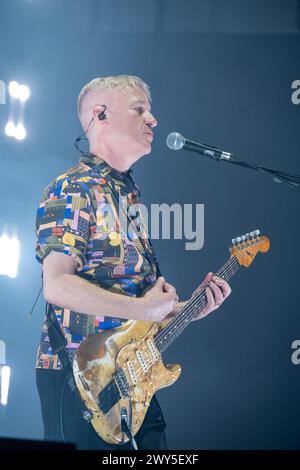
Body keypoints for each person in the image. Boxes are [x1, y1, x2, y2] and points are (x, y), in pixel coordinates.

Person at [35, 75, 231, 450]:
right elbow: (57, 285)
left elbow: (134, 310)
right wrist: (144, 306)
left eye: (151, 111)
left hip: (133, 378)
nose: (153, 119)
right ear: (101, 114)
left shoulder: (125, 193)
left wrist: (186, 309)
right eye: (140, 109)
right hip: (83, 381)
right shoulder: (73, 187)